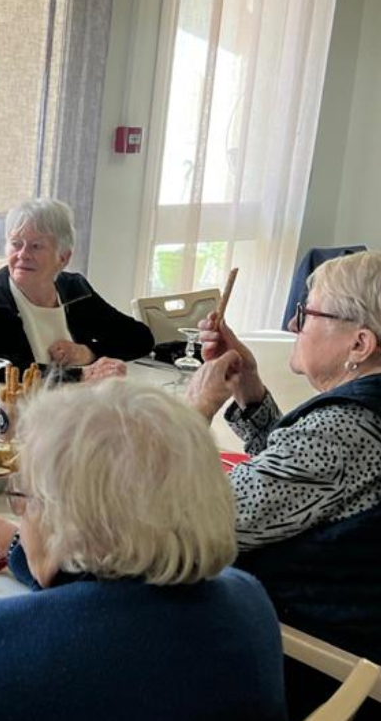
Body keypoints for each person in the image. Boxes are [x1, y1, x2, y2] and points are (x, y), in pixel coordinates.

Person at [0, 381, 286, 721]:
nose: (22, 514)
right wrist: (18, 545)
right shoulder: (247, 602)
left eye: (24, 498)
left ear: (71, 523)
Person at [185, 250, 381, 718]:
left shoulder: (343, 430)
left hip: (309, 663)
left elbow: (196, 522)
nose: (294, 326)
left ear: (359, 344)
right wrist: (247, 387)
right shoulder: (357, 420)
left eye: (307, 313)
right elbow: (299, 483)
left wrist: (191, 416)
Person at [0, 197, 153, 386]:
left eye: (36, 246)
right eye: (16, 244)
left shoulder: (75, 290)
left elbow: (140, 338)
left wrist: (87, 353)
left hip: (63, 405)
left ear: (63, 258)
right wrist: (78, 375)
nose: (23, 255)